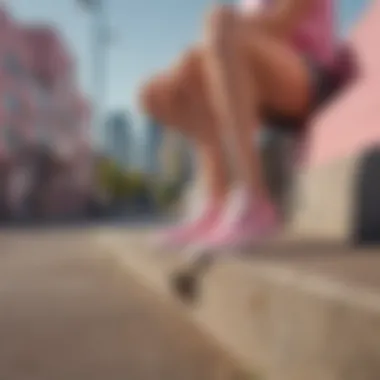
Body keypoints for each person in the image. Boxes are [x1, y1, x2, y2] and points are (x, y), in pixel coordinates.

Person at [140, 0, 339, 250]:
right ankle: (215, 204)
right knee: (155, 92)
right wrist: (198, 57)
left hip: (306, 78)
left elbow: (279, 27)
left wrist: (215, 40)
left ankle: (254, 201)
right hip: (262, 92)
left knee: (220, 21)